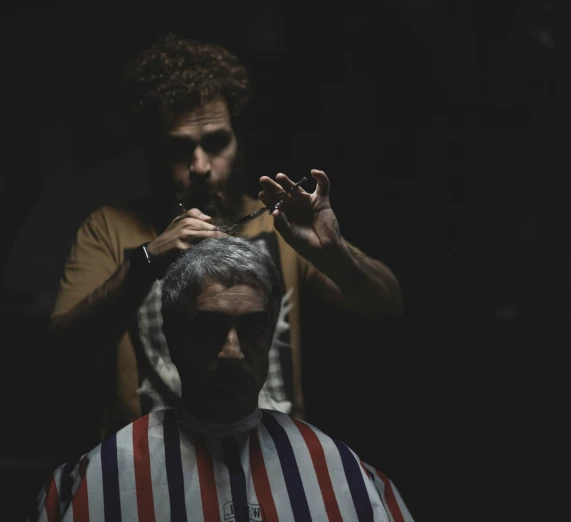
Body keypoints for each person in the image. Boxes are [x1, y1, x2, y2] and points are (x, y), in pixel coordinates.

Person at [49, 33, 404, 446]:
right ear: (151, 151)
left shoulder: (278, 225)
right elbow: (62, 361)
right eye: (178, 149)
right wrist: (146, 260)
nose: (200, 166)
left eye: (215, 143)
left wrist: (336, 253)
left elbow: (387, 306)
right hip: (152, 468)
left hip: (272, 458)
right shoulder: (109, 228)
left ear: (239, 140)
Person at [30, 237, 413, 522]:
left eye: (253, 327)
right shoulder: (88, 484)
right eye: (209, 328)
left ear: (270, 337)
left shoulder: (348, 476)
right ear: (172, 337)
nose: (232, 352)